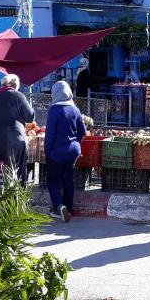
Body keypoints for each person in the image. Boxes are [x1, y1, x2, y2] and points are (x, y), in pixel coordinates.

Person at [44, 80, 86, 222]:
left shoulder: (54, 110)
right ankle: (69, 208)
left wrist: (47, 151)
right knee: (68, 180)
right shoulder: (75, 109)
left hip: (57, 152)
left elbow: (49, 134)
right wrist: (75, 143)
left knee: (53, 180)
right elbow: (82, 132)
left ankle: (59, 206)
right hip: (72, 151)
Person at [0, 73, 36, 184]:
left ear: (1, 85)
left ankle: (4, 198)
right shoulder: (18, 96)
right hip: (15, 139)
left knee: (3, 171)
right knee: (18, 173)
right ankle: (17, 199)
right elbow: (30, 117)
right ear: (15, 85)